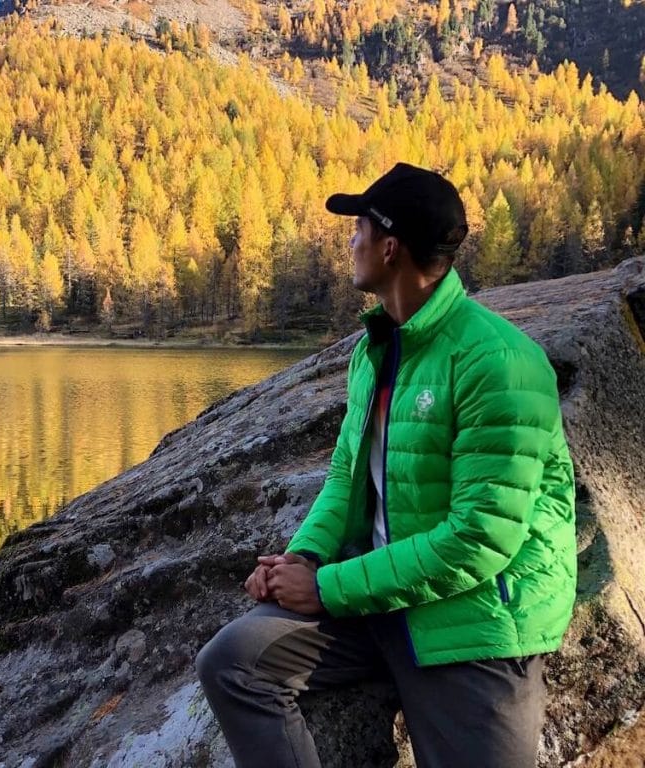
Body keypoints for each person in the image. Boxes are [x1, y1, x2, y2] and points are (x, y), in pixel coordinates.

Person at [195, 163, 577, 768]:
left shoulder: (500, 362)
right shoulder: (376, 349)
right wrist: (301, 560)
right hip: (376, 605)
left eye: (358, 229)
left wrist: (324, 588)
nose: (351, 242)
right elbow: (347, 477)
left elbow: (480, 540)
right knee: (233, 661)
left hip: (469, 619)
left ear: (390, 246)